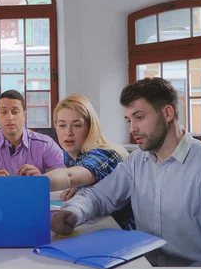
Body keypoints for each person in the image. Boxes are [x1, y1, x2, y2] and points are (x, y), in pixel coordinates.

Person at [51, 77, 201, 267]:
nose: (132, 128)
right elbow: (100, 196)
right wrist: (73, 212)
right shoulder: (137, 161)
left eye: (140, 117)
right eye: (129, 119)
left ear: (167, 113)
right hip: (140, 266)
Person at [44, 94, 135, 231]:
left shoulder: (104, 154)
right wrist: (78, 187)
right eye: (62, 125)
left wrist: (34, 183)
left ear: (90, 127)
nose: (68, 132)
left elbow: (69, 176)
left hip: (120, 232)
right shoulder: (69, 155)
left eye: (77, 125)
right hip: (97, 226)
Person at [0, 90, 65, 176]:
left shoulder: (44, 143)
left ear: (24, 115)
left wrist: (41, 180)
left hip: (32, 199)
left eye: (15, 112)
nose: (10, 117)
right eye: (4, 112)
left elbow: (65, 174)